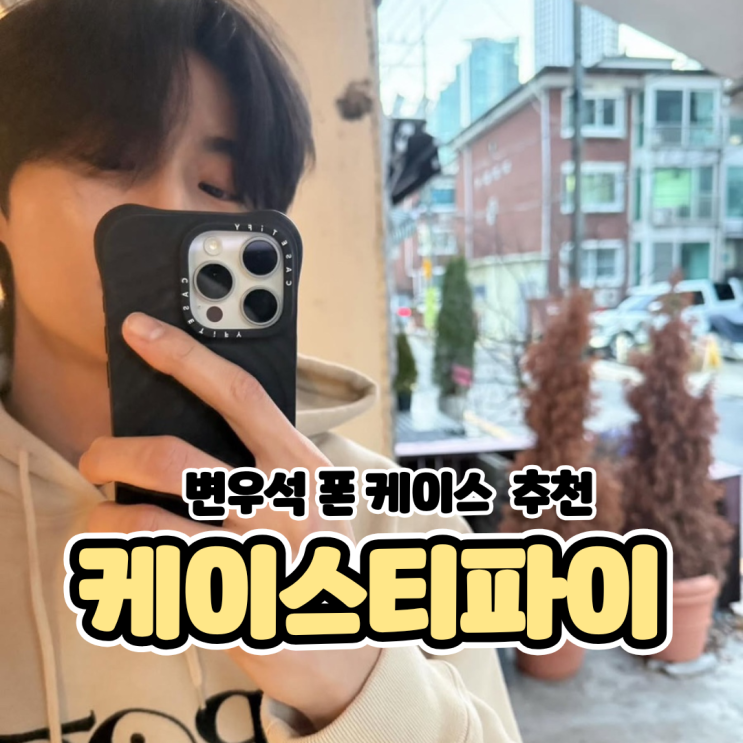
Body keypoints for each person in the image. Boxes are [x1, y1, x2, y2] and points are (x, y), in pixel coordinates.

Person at [0, 1, 522, 742]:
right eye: (112, 160)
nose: (173, 215)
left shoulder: (391, 522)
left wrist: (357, 682)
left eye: (220, 186)